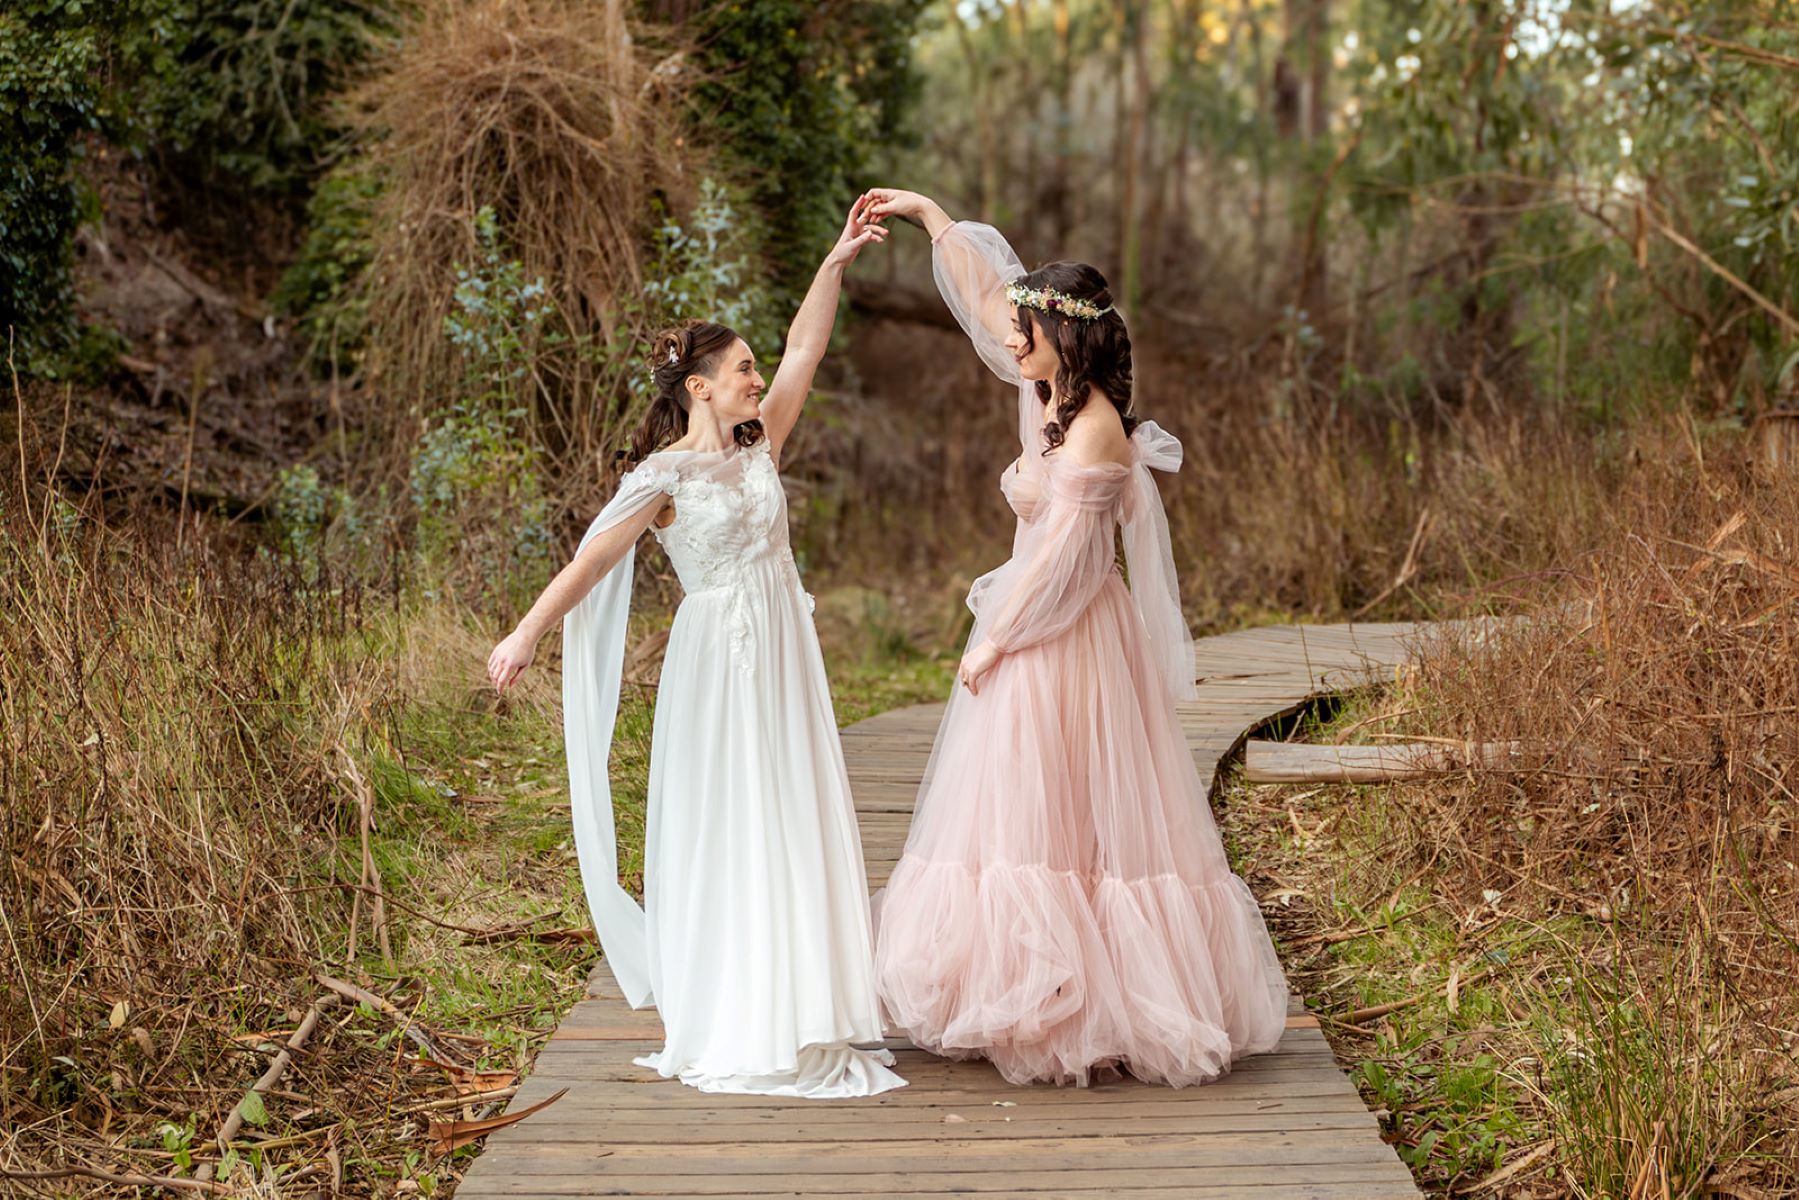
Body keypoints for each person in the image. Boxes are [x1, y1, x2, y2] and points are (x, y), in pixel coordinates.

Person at [864, 187, 1290, 1088]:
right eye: (1016, 331)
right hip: (1031, 620)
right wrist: (934, 220)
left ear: (1068, 337)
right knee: (1021, 809)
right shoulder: (1046, 391)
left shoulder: (1093, 433)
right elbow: (987, 303)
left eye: (1028, 331)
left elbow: (1062, 563)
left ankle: (1088, 997)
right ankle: (1028, 975)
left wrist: (993, 641)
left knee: (1071, 813)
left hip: (1064, 633)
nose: (1010, 340)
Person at [486, 197, 905, 1098]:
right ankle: (740, 1003)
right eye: (741, 369)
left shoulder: (761, 445)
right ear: (700, 386)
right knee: (736, 813)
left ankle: (807, 1001)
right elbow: (593, 560)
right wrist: (526, 630)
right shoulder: (662, 478)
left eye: (755, 367)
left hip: (785, 646)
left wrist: (832, 265)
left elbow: (805, 351)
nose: (758, 378)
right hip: (717, 656)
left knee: (790, 805)